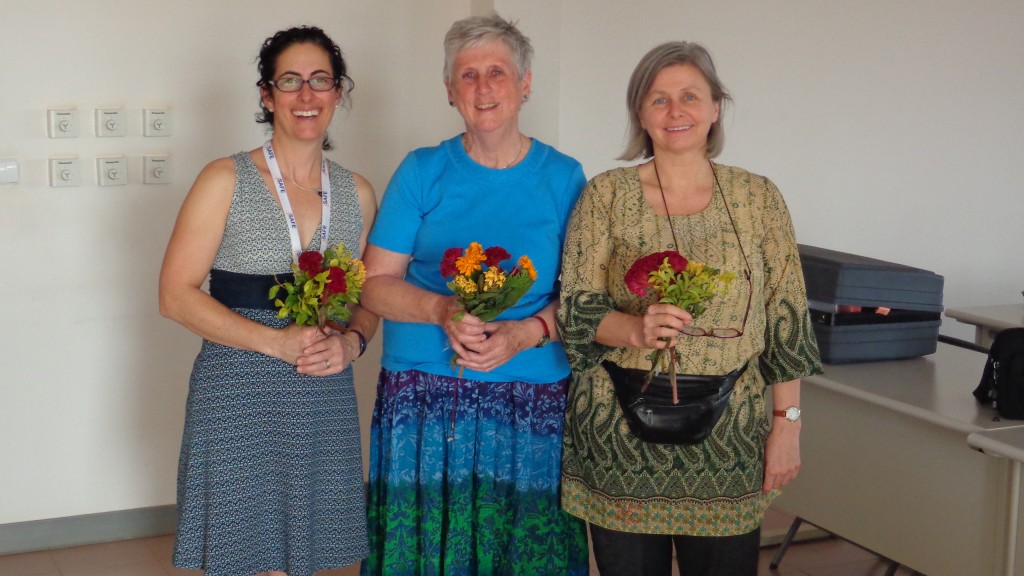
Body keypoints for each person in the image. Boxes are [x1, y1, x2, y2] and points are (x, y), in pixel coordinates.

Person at [557, 41, 823, 576]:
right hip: (619, 439)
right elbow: (575, 308)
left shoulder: (759, 198)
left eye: (689, 96)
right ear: (640, 111)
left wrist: (787, 425)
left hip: (730, 443)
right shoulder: (605, 195)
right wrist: (633, 327)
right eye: (658, 99)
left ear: (715, 107)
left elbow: (786, 319)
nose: (675, 112)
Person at [358, 14, 589, 576]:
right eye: (467, 75)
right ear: (449, 91)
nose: (483, 88)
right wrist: (442, 310)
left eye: (497, 72)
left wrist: (524, 332)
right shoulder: (421, 171)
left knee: (524, 547)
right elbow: (374, 283)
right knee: (425, 548)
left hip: (532, 393)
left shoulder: (563, 177)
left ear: (525, 83)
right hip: (424, 393)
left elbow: (585, 297)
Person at [158, 25, 378, 576]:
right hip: (239, 392)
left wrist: (352, 343)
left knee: (308, 555)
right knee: (251, 560)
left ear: (338, 92)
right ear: (266, 94)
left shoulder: (359, 193)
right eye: (290, 81)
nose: (307, 95)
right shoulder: (224, 179)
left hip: (321, 393)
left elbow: (368, 298)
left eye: (320, 80)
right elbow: (174, 296)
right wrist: (273, 342)